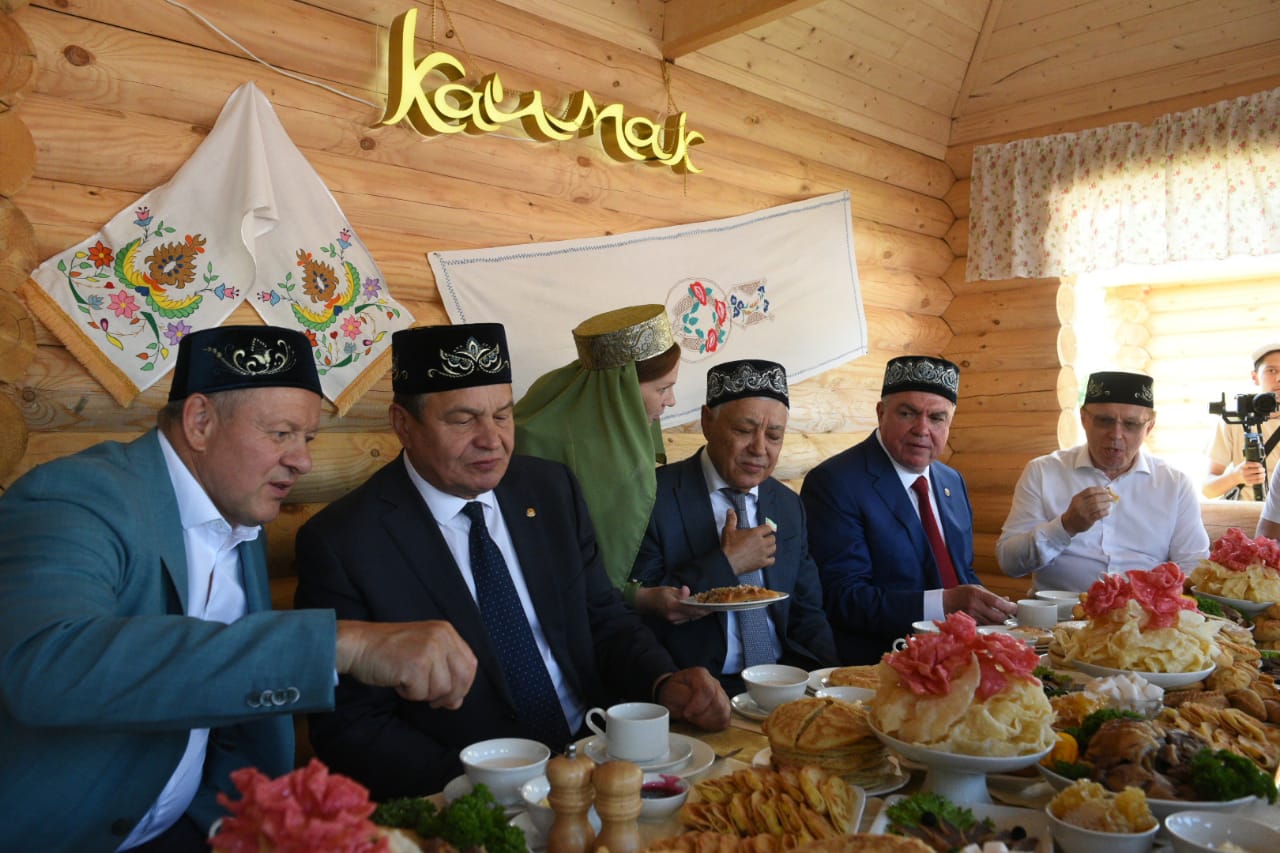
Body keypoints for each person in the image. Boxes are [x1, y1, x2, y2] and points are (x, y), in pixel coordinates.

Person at [0, 325, 479, 853]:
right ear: (200, 422)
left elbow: (229, 719)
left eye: (307, 438)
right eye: (281, 433)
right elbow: (48, 664)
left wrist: (230, 828)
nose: (302, 460)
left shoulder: (236, 509)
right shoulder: (79, 497)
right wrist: (339, 644)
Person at [293, 323, 730, 800]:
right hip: (471, 788)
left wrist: (662, 681)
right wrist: (485, 788)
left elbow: (603, 618)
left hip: (595, 755)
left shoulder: (549, 489)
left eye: (502, 415)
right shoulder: (345, 542)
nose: (492, 439)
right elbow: (353, 727)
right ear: (403, 425)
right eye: (463, 420)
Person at [629, 358, 838, 695]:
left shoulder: (787, 504)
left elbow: (807, 610)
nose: (759, 449)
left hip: (785, 679)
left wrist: (828, 683)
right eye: (743, 430)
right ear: (707, 422)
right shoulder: (655, 497)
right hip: (701, 687)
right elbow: (644, 610)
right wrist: (727, 563)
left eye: (774, 436)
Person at [801, 355, 1016, 664]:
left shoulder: (952, 481)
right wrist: (944, 604)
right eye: (907, 413)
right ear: (881, 413)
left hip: (960, 657)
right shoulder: (835, 482)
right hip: (882, 663)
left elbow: (960, 572)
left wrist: (993, 608)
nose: (922, 429)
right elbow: (843, 598)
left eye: (937, 418)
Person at [515, 304, 701, 622]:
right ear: (621, 390)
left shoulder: (621, 440)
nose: (671, 401)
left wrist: (634, 595)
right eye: (663, 388)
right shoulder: (535, 446)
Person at [997, 370, 1210, 592]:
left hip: (1142, 612)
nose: (1116, 434)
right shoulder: (1043, 472)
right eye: (1105, 421)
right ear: (1084, 419)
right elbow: (1009, 564)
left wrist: (1155, 600)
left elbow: (1194, 567)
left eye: (1131, 424)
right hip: (1060, 611)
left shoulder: (1174, 485)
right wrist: (1066, 526)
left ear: (1149, 427)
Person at [1203, 342, 1280, 500]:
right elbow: (1208, 489)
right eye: (1271, 371)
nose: (1279, 378)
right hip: (1247, 514)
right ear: (1255, 377)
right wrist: (1236, 476)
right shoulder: (1234, 420)